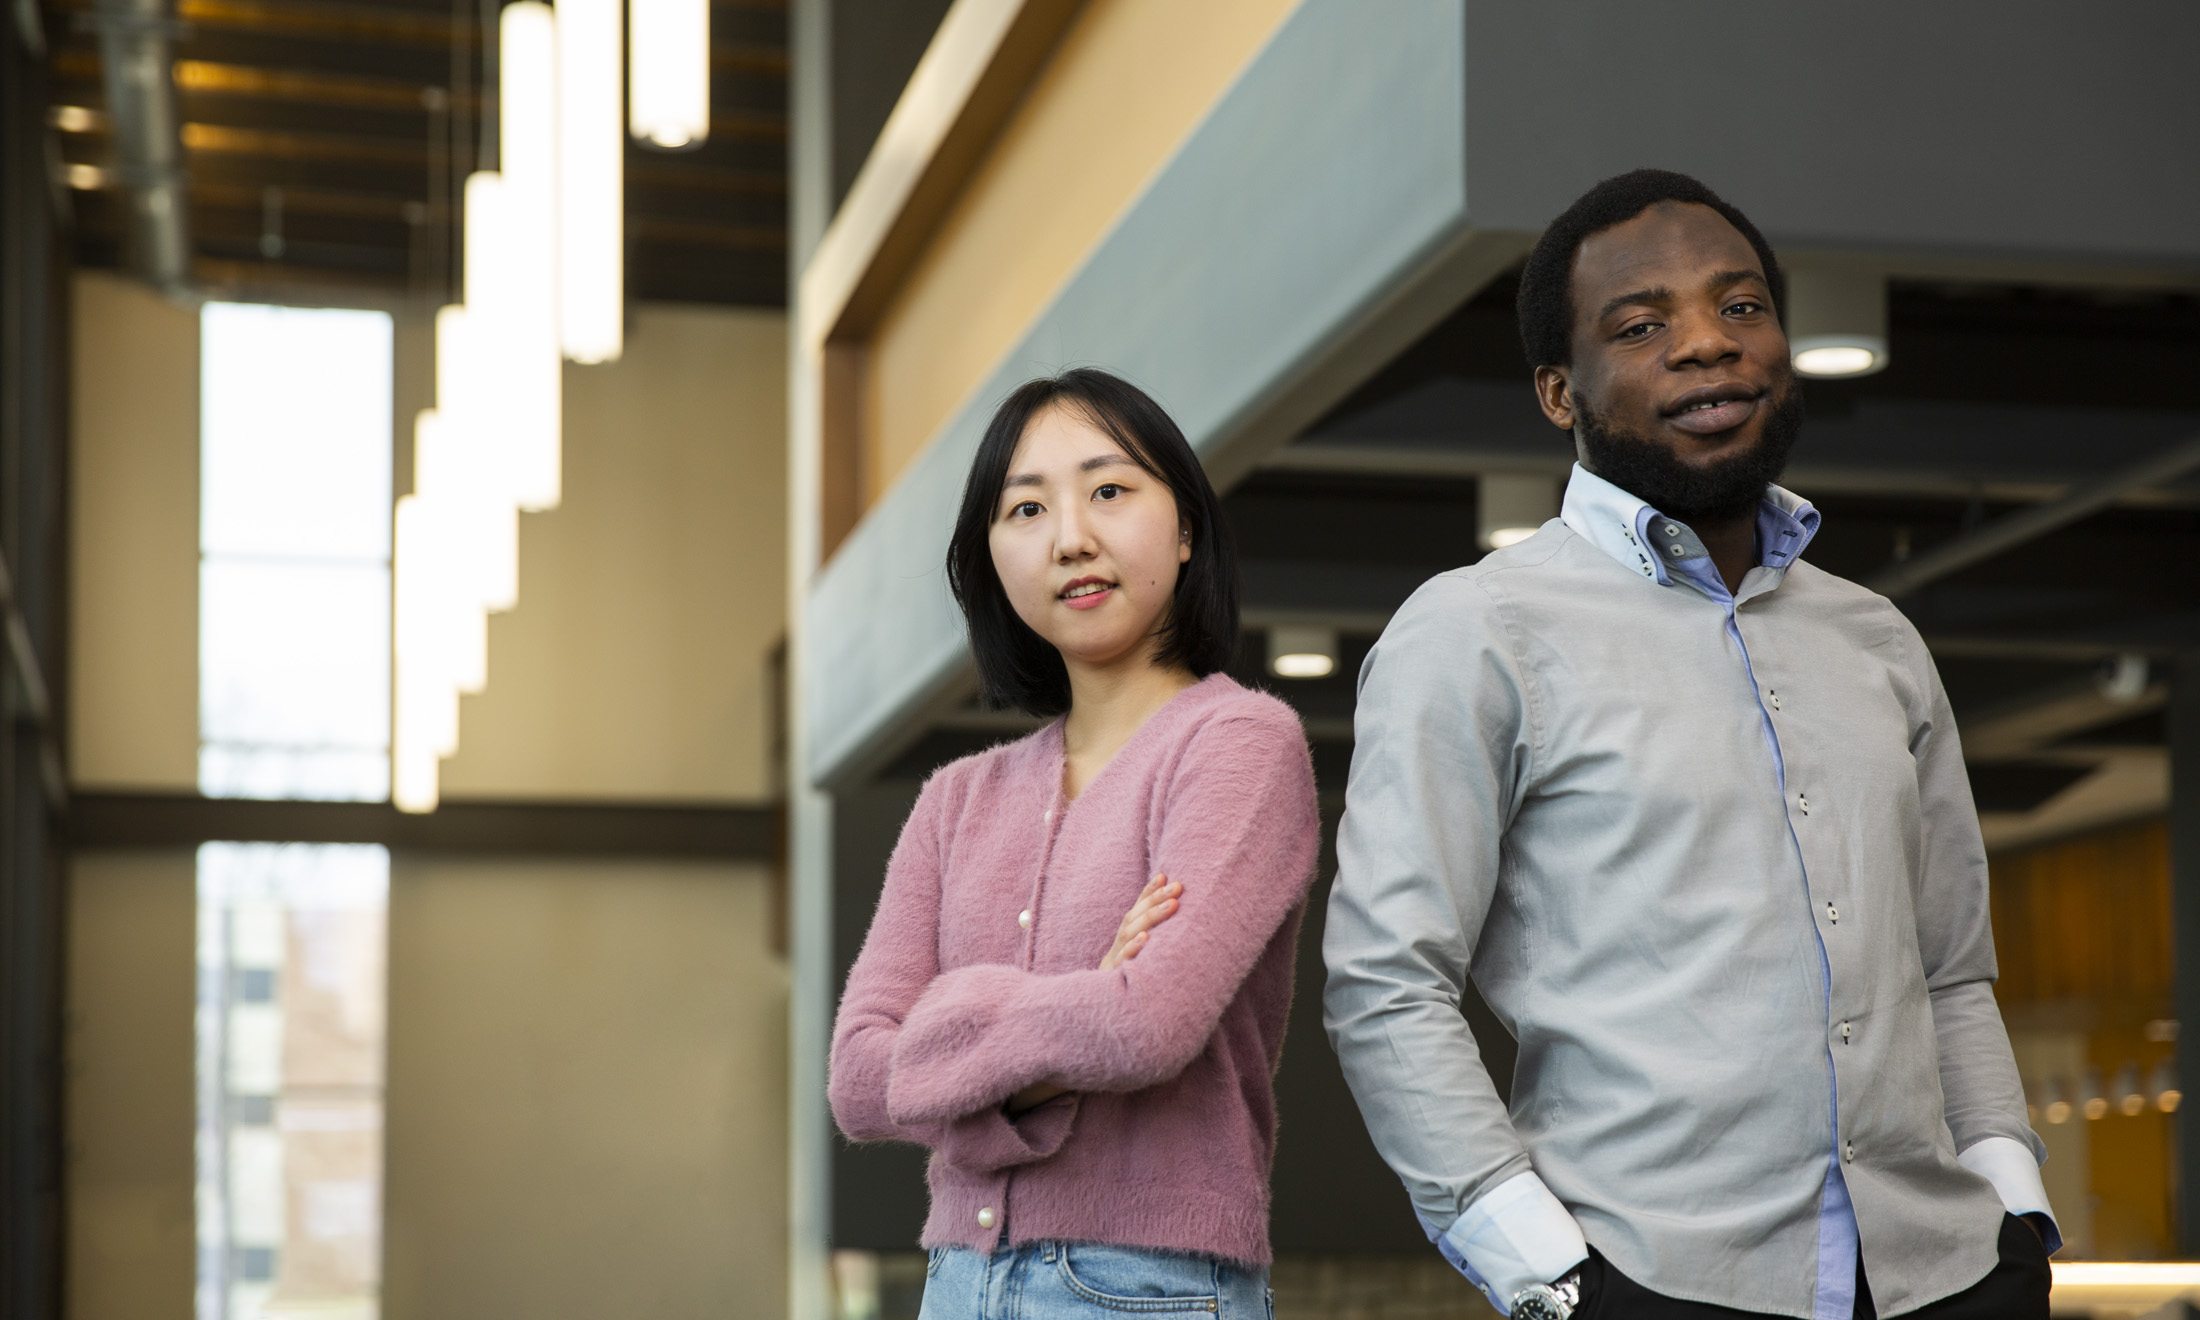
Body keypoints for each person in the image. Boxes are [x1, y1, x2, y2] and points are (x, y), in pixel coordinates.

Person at [1322, 170, 2056, 1320]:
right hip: (1650, 1280)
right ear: (1557, 392)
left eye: (1741, 306)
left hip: (1946, 1274)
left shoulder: (1875, 638)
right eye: (1640, 325)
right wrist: (1550, 1276)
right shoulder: (1476, 631)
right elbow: (1385, 982)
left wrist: (2011, 1207)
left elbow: (1950, 970)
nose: (1708, 343)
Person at [829, 368, 1320, 1320]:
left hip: (1147, 1286)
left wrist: (949, 1028)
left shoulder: (1240, 744)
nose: (1070, 539)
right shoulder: (955, 799)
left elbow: (1147, 1026)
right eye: (1026, 509)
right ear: (991, 558)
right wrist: (1077, 1002)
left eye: (1108, 491)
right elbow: (855, 1081)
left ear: (1185, 528)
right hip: (954, 1283)